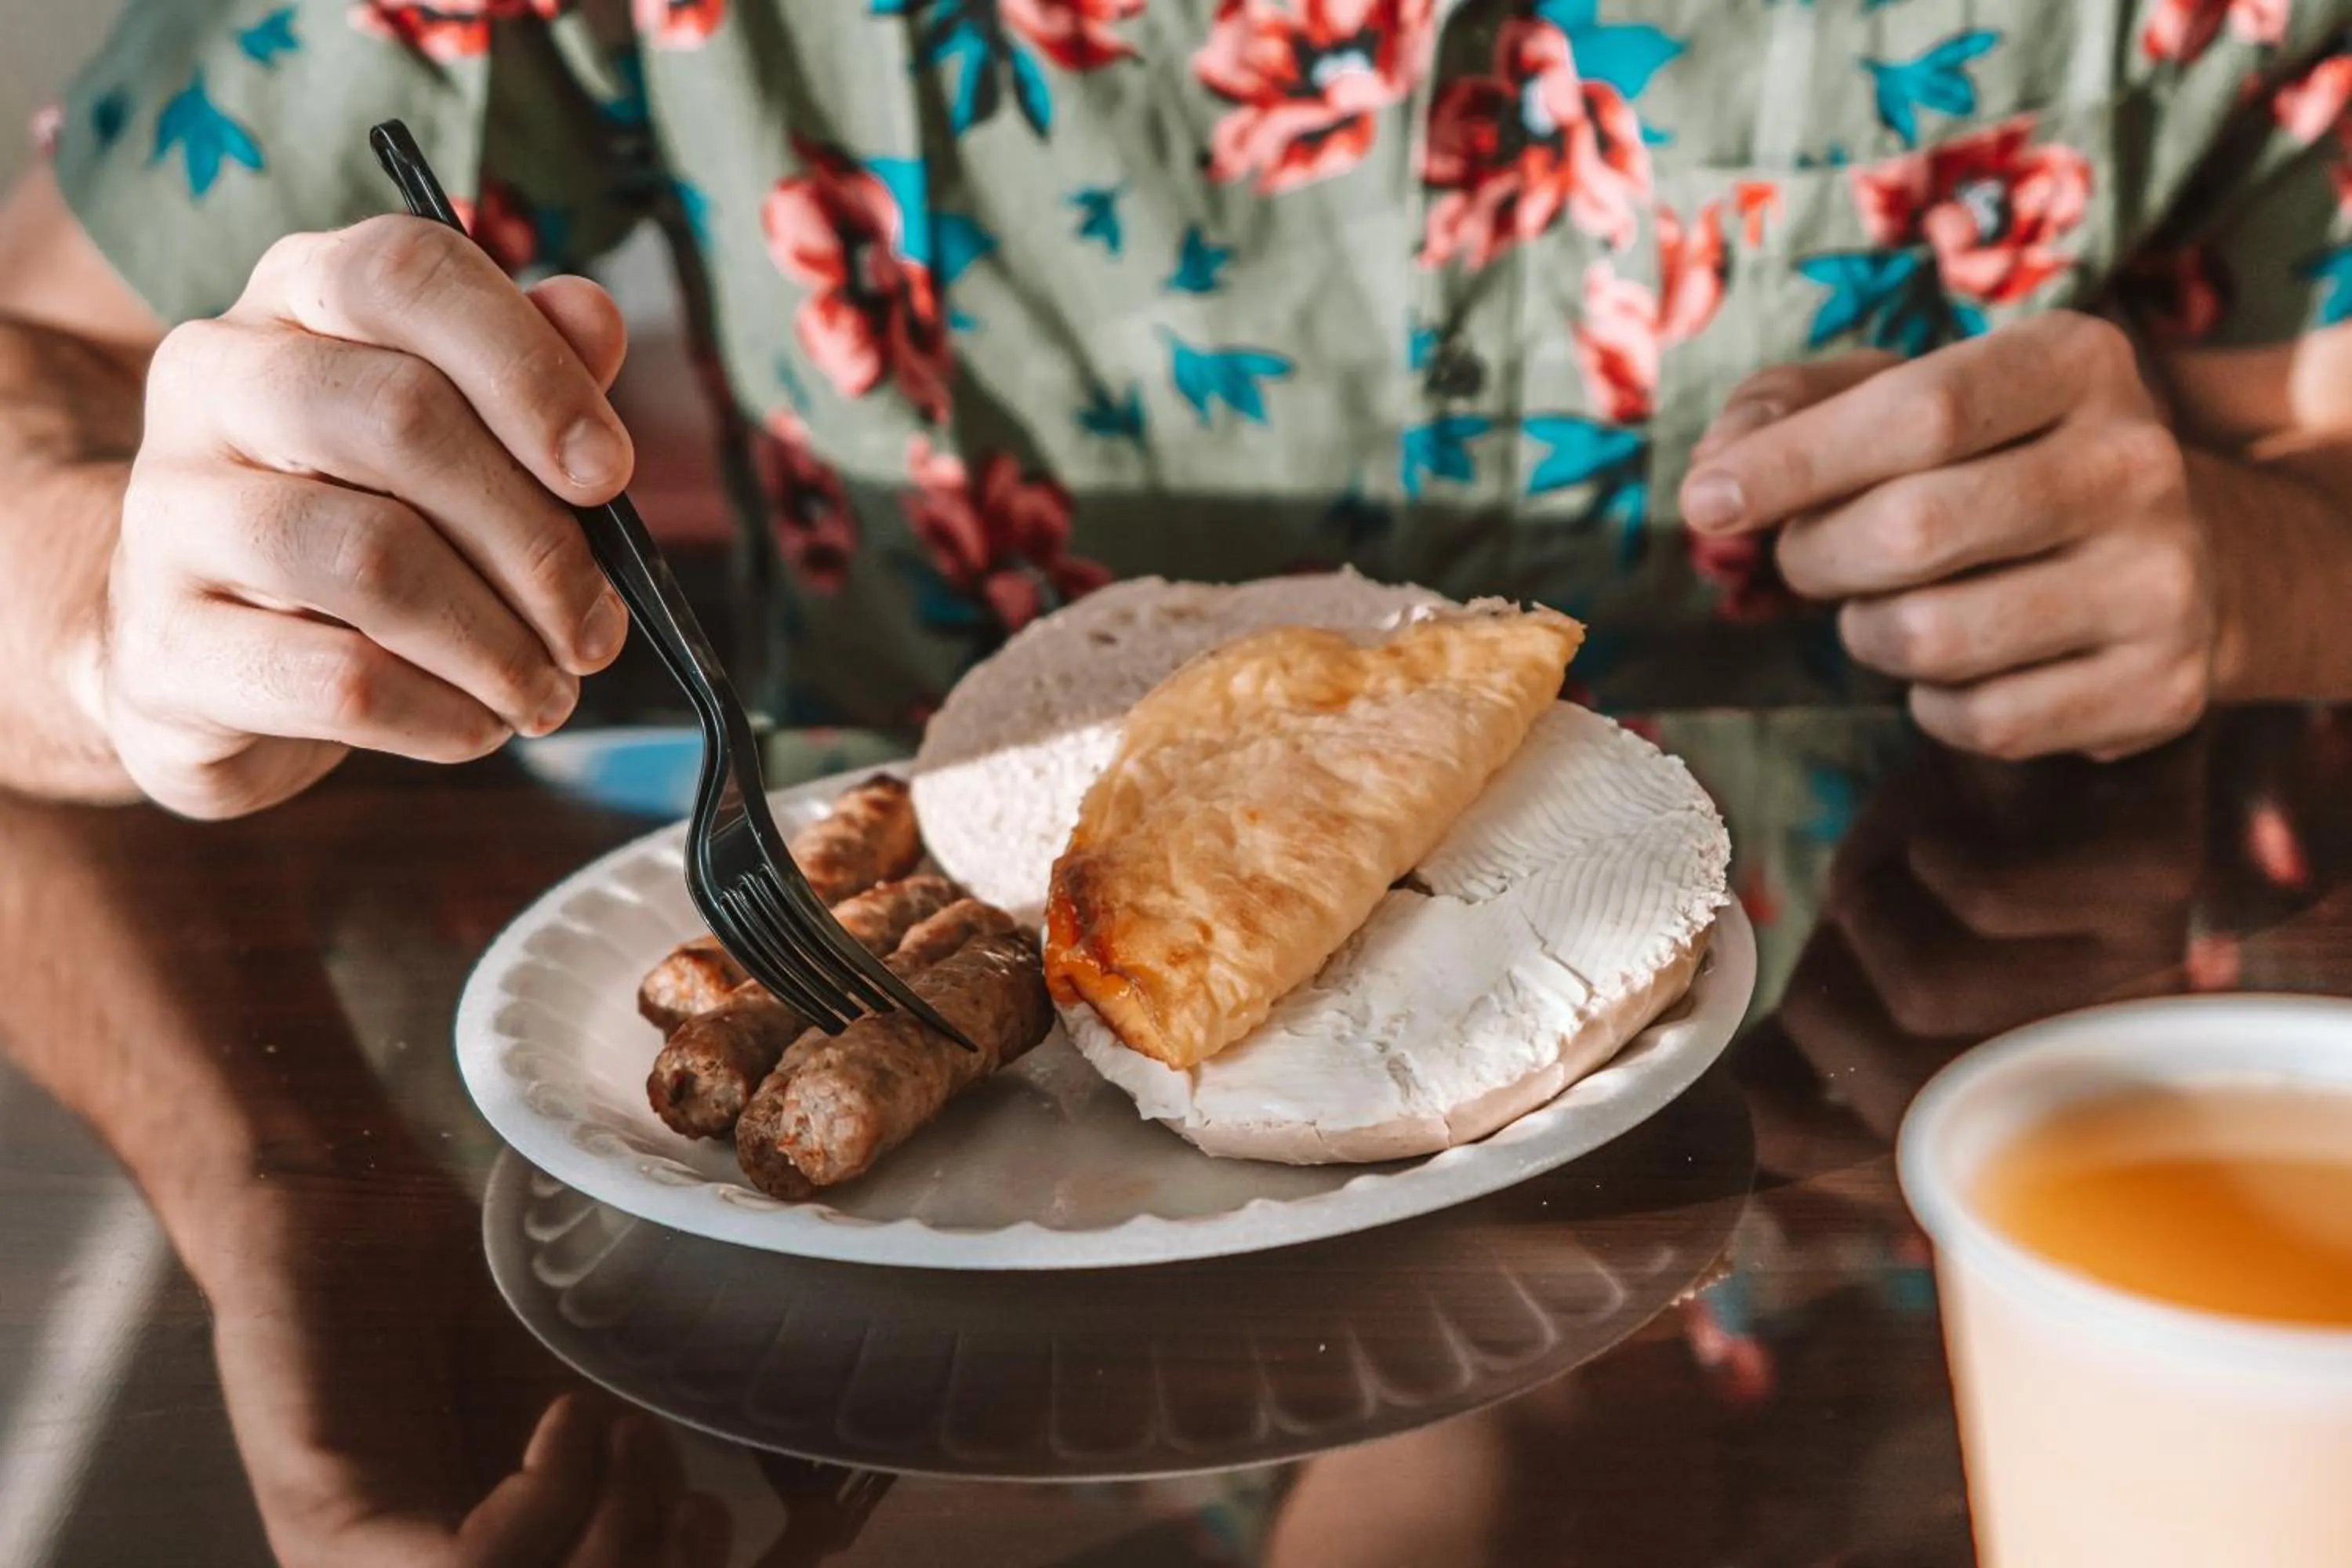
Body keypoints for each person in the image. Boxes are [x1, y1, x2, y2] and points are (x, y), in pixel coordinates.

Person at [6, 0, 2352, 819]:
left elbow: (2306, 448)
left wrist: (2260, 567)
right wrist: (128, 615)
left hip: (1879, 1213)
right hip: (921, 1245)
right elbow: (50, 380)